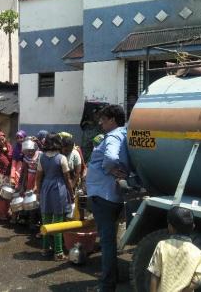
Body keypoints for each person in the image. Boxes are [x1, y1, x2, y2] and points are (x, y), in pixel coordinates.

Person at [86, 105, 130, 292]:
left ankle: (106, 286)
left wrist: (109, 169)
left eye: (103, 119)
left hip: (104, 195)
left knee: (107, 241)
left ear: (113, 119)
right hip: (111, 195)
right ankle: (111, 277)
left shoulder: (113, 136)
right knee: (110, 240)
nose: (100, 122)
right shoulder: (124, 133)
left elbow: (111, 157)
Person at [35, 133, 73, 261]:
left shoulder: (41, 158)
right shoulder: (62, 158)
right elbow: (67, 179)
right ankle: (59, 253)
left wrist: (38, 193)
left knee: (46, 221)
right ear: (58, 143)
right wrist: (72, 193)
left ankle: (45, 250)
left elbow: (38, 178)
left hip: (46, 189)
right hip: (58, 189)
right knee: (58, 222)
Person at [148, 206, 201, 292]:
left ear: (170, 227)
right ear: (193, 227)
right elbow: (199, 281)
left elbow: (154, 275)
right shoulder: (197, 253)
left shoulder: (162, 245)